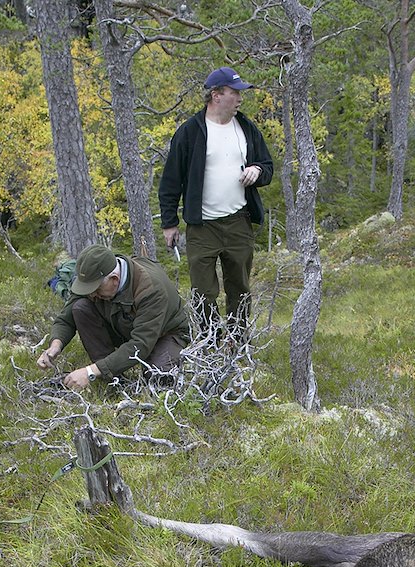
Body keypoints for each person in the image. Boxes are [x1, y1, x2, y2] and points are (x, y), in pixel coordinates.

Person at [158, 66, 274, 333]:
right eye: (235, 92)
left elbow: (267, 166)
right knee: (203, 293)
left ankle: (238, 341)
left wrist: (257, 170)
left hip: (239, 222)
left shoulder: (246, 128)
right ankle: (210, 344)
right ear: (216, 95)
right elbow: (171, 181)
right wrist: (169, 223)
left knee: (240, 288)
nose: (240, 98)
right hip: (202, 228)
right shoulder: (190, 132)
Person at [37, 244, 189, 391]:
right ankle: (112, 378)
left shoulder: (151, 289)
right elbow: (66, 317)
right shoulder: (93, 277)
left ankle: (105, 369)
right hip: (124, 326)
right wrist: (55, 346)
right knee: (80, 307)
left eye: (96, 289)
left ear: (114, 279)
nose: (92, 294)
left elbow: (140, 344)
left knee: (159, 379)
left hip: (164, 334)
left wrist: (89, 372)